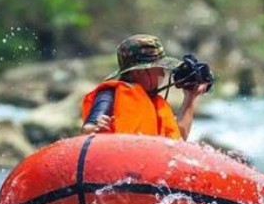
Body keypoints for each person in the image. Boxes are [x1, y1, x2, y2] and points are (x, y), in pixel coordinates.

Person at [80, 34, 209, 140]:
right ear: (138, 72)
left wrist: (190, 98)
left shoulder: (155, 103)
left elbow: (178, 140)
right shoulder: (109, 94)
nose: (162, 73)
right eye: (157, 68)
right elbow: (88, 128)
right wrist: (96, 128)